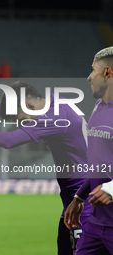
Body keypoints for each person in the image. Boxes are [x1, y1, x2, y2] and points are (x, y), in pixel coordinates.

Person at [0, 81, 91, 255]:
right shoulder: (57, 103)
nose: (24, 125)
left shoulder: (53, 118)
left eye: (23, 120)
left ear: (30, 106)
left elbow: (9, 141)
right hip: (72, 201)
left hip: (85, 200)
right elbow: (6, 109)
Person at [64, 46, 113, 254]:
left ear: (108, 72)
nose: (89, 77)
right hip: (96, 223)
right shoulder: (98, 107)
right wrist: (79, 197)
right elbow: (98, 165)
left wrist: (111, 189)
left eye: (93, 70)